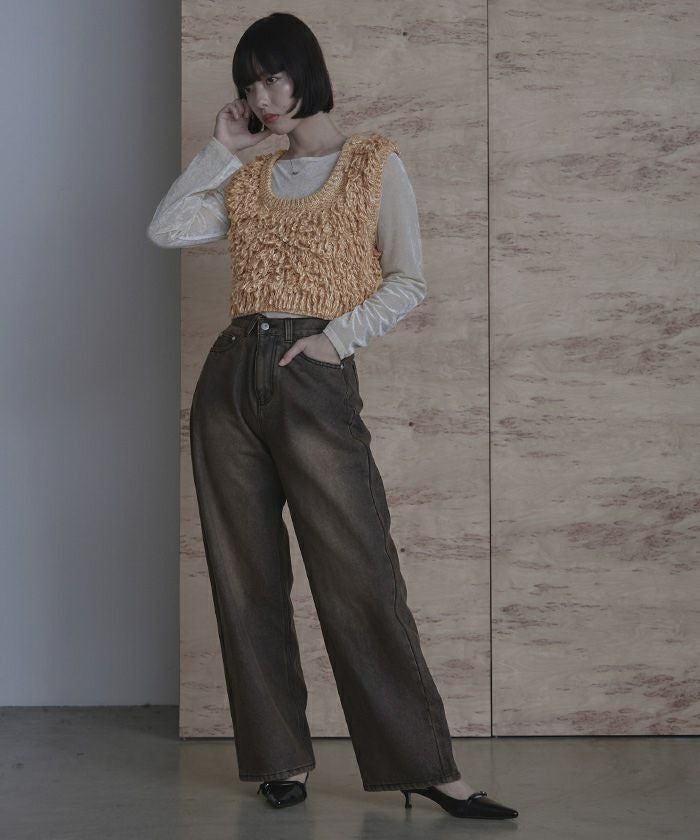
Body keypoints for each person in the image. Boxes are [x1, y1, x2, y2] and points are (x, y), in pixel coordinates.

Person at [147, 11, 518, 821]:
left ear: (306, 74)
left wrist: (334, 341)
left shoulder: (374, 163)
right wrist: (221, 149)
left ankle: (425, 766)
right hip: (229, 381)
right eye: (249, 85)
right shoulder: (247, 180)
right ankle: (279, 759)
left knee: (358, 574)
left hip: (310, 376)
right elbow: (165, 228)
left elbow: (407, 279)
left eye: (273, 78)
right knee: (246, 578)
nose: (262, 97)